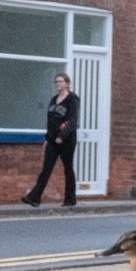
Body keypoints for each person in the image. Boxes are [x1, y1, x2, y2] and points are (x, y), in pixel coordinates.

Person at [22, 72, 79, 207]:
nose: (58, 84)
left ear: (67, 83)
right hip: (53, 140)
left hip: (67, 140)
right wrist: (48, 138)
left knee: (68, 168)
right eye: (56, 82)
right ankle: (34, 198)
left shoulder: (73, 99)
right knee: (46, 168)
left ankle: (70, 200)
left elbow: (73, 120)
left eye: (60, 81)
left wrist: (62, 136)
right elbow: (50, 121)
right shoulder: (54, 99)